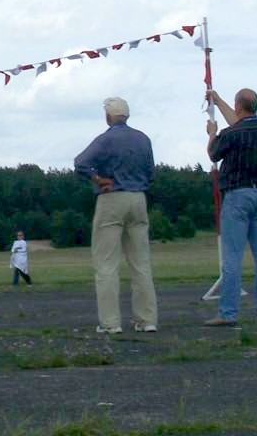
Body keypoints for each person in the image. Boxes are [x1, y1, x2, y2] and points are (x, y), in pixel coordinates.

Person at [73, 96, 158, 334]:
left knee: (107, 264)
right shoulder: (143, 139)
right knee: (141, 263)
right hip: (138, 198)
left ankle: (111, 323)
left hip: (112, 198)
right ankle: (147, 320)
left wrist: (97, 179)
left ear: (109, 116)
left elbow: (80, 163)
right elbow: (151, 173)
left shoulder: (106, 139)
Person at [205, 87, 257, 327]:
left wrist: (212, 134)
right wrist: (218, 100)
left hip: (237, 197)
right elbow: (240, 123)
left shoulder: (230, 133)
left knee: (232, 258)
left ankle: (228, 313)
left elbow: (213, 154)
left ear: (238, 106)